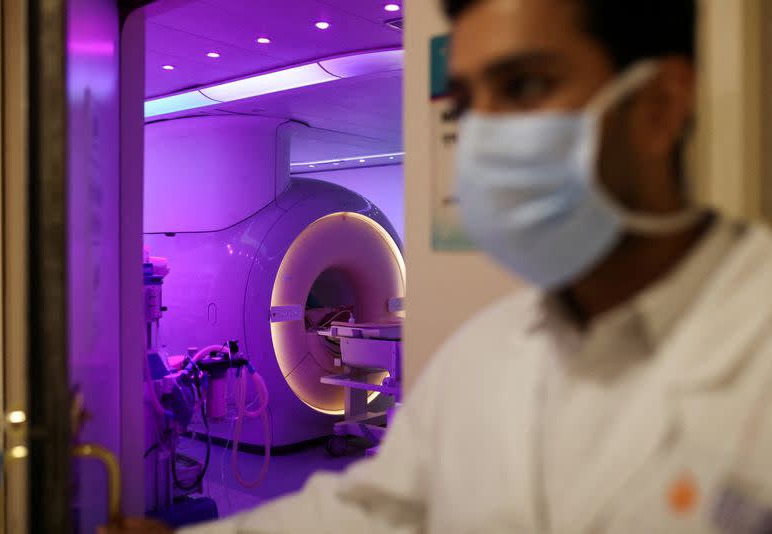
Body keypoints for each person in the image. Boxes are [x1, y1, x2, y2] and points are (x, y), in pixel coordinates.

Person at [105, 0, 772, 532]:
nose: (484, 138)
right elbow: (379, 511)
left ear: (658, 106)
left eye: (526, 86)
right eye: (466, 103)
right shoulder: (488, 349)